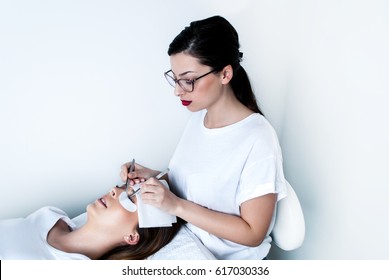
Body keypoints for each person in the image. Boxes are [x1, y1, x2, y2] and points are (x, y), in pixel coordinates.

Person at [121, 15, 287, 260]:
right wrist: (153, 176)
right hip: (183, 238)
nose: (178, 91)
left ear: (225, 74)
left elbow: (253, 233)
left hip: (216, 258)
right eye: (175, 79)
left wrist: (175, 205)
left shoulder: (258, 139)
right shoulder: (198, 119)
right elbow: (200, 184)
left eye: (188, 81)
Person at [0, 185, 180, 260]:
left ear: (132, 237)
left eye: (131, 198)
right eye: (122, 185)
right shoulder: (52, 216)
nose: (114, 190)